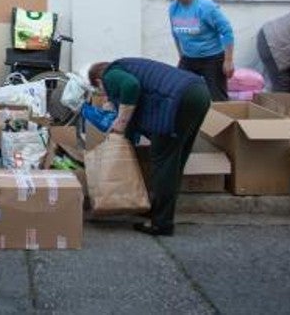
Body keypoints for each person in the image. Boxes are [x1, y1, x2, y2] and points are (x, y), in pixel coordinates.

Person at [88, 58, 211, 237]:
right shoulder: (128, 67)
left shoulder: (110, 74)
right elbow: (136, 105)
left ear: (98, 81)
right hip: (198, 92)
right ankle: (158, 211)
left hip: (179, 99)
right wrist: (124, 138)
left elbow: (130, 86)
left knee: (164, 163)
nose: (105, 94)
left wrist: (120, 123)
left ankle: (162, 224)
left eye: (100, 90)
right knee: (175, 161)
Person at [165, 0, 235, 101]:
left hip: (212, 59)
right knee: (180, 93)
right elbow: (175, 34)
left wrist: (228, 60)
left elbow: (227, 31)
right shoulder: (173, 8)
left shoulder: (206, 7)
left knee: (217, 97)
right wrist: (181, 55)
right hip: (189, 59)